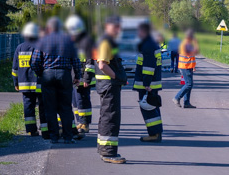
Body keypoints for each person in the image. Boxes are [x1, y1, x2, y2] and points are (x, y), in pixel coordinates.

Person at [30, 17, 81, 144]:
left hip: (48, 74)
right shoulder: (68, 41)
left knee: (50, 107)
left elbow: (35, 62)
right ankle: (68, 137)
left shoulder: (42, 41)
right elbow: (76, 60)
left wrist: (41, 73)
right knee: (65, 107)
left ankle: (54, 137)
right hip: (64, 75)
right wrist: (77, 76)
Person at [94, 16, 127, 164]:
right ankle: (109, 152)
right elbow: (102, 65)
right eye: (116, 27)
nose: (119, 30)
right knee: (111, 118)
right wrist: (115, 77)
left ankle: (104, 149)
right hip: (109, 86)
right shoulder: (106, 41)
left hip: (106, 86)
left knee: (105, 117)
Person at [11, 22, 47, 137]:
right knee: (43, 105)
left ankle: (31, 130)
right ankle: (45, 128)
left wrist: (15, 82)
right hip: (39, 83)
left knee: (28, 107)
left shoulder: (19, 48)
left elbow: (15, 69)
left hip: (24, 83)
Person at [133, 21, 164, 142]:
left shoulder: (148, 45)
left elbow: (148, 67)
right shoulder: (152, 43)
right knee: (152, 107)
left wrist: (146, 84)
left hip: (147, 85)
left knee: (148, 108)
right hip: (151, 84)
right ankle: (156, 133)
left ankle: (154, 134)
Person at [66, 15, 95, 136]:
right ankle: (80, 122)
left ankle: (85, 124)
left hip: (84, 79)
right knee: (76, 103)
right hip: (76, 78)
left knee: (82, 102)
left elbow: (90, 62)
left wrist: (86, 78)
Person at [173, 29, 199, 108]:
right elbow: (195, 51)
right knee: (189, 84)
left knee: (189, 84)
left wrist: (193, 66)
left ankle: (186, 103)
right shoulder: (187, 44)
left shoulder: (185, 43)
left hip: (187, 66)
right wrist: (196, 43)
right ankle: (177, 98)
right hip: (186, 67)